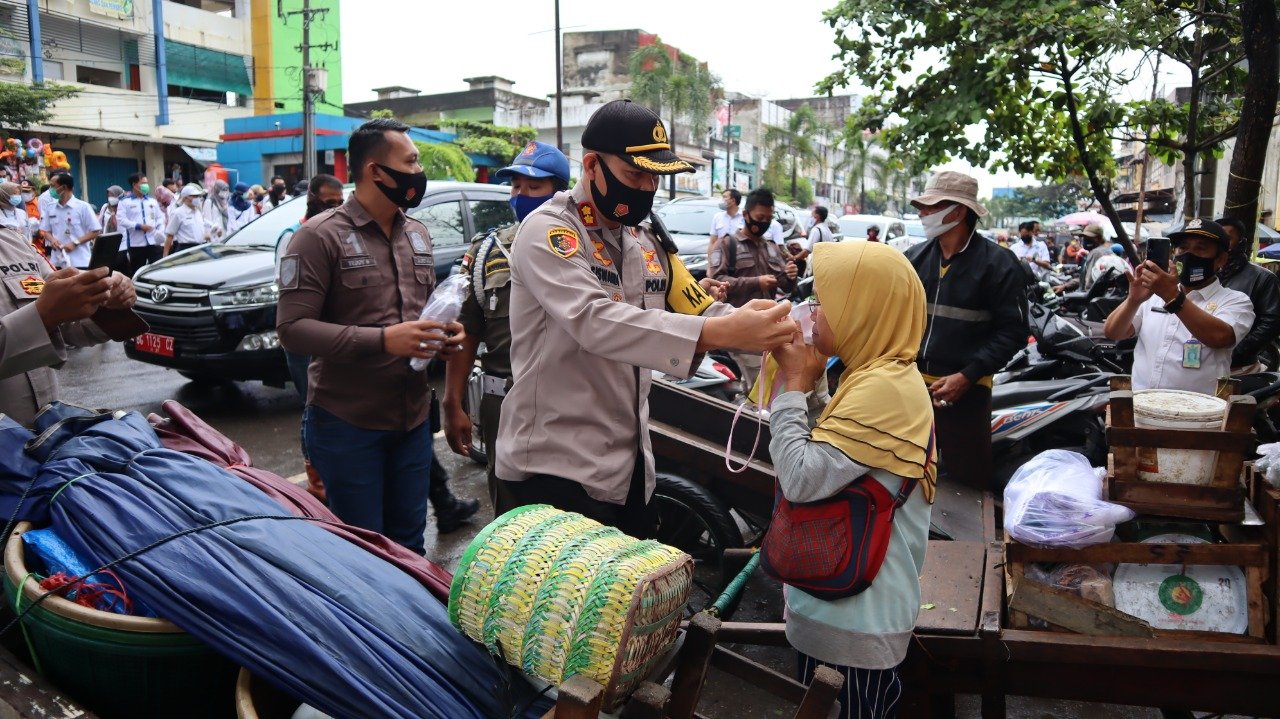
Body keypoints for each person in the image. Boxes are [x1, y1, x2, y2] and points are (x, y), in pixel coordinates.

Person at [494, 99, 791, 535]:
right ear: (592, 165)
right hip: (554, 465)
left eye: (655, 176)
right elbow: (595, 320)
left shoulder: (645, 239)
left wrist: (764, 325)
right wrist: (719, 329)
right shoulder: (550, 232)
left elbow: (698, 305)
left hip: (629, 459)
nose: (647, 187)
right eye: (635, 174)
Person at [276, 118, 467, 554]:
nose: (418, 171)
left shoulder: (417, 234)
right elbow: (291, 329)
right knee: (364, 553)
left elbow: (415, 317)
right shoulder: (318, 237)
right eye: (411, 161)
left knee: (409, 547)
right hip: (347, 424)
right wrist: (383, 340)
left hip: (412, 421)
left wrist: (443, 334)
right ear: (375, 171)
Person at [770, 241, 935, 719]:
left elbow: (800, 477)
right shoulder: (876, 374)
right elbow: (836, 454)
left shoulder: (884, 388)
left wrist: (795, 386)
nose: (813, 311)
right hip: (843, 610)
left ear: (863, 309)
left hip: (854, 623)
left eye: (827, 300)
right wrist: (815, 382)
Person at [443, 141, 570, 510]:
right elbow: (467, 330)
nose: (521, 195)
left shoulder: (580, 247)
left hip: (566, 400)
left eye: (534, 187)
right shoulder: (489, 249)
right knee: (512, 514)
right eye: (516, 186)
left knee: (570, 513)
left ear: (559, 193)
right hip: (504, 401)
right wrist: (453, 403)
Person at [904, 171, 1026, 492]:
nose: (922, 214)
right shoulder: (912, 260)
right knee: (909, 481)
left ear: (957, 211)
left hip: (967, 394)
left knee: (965, 488)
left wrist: (967, 375)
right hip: (912, 392)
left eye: (930, 207)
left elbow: (1012, 333)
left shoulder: (999, 265)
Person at [1, 181, 137, 426]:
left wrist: (104, 299)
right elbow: (46, 314)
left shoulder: (14, 242)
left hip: (43, 438)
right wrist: (42, 317)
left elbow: (65, 323)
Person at [1104, 219, 1253, 395]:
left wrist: (1172, 296)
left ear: (1220, 259)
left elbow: (1220, 337)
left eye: (1200, 248)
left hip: (1199, 416)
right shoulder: (1153, 296)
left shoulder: (1235, 301)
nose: (1189, 254)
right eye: (1183, 248)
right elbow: (1113, 333)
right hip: (1143, 408)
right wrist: (1133, 300)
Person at [709, 187, 798, 392]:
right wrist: (755, 282)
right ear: (746, 215)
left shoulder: (772, 247)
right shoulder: (727, 244)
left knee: (768, 388)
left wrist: (790, 275)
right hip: (740, 331)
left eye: (769, 218)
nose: (764, 222)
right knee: (756, 390)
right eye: (760, 217)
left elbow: (784, 284)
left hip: (769, 331)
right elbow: (717, 280)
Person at [1216, 216, 1280, 373]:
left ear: (1241, 242)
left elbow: (1270, 324)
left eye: (1227, 239)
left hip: (1240, 368)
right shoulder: (1203, 276)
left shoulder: (1263, 278)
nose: (1221, 244)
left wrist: (1235, 351)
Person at [39, 173, 101, 270]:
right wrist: (52, 240)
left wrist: (75, 243)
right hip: (57, 261)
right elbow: (46, 231)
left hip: (80, 261)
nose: (50, 189)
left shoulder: (83, 207)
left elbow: (95, 231)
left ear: (64, 187)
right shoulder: (50, 207)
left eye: (53, 186)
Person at [115, 172, 165, 275]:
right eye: (143, 183)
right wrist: (138, 226)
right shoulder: (125, 202)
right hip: (136, 244)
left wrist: (160, 229)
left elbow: (160, 217)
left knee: (158, 271)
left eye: (146, 183)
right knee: (138, 272)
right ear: (134, 185)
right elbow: (121, 220)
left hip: (154, 242)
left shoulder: (152, 201)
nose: (146, 186)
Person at [162, 183, 209, 257]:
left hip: (201, 248)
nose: (198, 198)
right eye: (194, 196)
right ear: (185, 198)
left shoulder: (198, 212)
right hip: (186, 250)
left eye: (198, 196)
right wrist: (165, 256)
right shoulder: (178, 213)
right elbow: (170, 236)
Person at [710, 188, 744, 253]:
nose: (722, 200)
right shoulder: (717, 217)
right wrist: (710, 261)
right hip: (721, 257)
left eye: (724, 197)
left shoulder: (745, 217)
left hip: (740, 256)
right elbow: (712, 242)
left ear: (733, 200)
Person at [1076, 224, 1109, 289]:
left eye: (1089, 238)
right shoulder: (1106, 249)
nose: (1086, 240)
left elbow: (1089, 283)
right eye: (1084, 237)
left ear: (1099, 238)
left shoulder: (1096, 252)